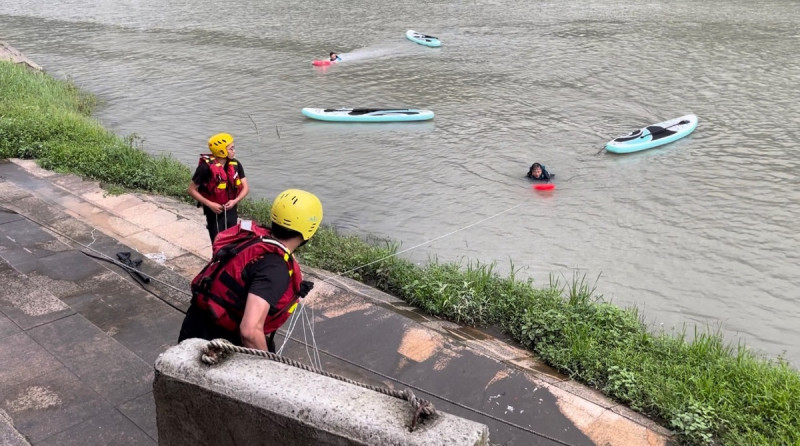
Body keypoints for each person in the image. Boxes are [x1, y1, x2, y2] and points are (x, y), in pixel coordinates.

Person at [178, 189, 323, 353]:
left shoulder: (256, 239)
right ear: (310, 231)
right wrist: (269, 366)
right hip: (216, 344)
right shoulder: (275, 269)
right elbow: (249, 331)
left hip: (195, 324)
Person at [188, 133, 250, 243]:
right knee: (218, 241)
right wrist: (210, 204)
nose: (234, 151)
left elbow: (245, 188)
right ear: (221, 151)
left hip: (231, 208)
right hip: (214, 211)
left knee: (232, 240)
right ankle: (218, 259)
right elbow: (191, 190)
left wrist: (235, 201)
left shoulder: (235, 164)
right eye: (231, 148)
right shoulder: (205, 168)